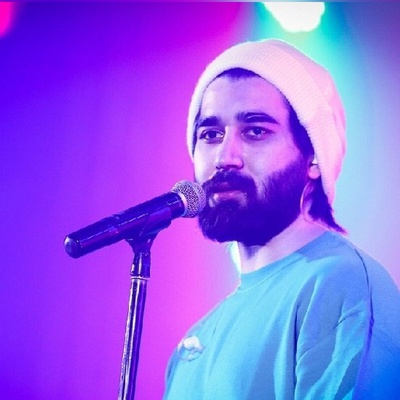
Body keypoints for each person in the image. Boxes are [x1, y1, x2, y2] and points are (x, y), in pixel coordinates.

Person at [163, 39, 400, 399]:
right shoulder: (193, 343)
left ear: (313, 157)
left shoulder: (340, 284)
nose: (225, 157)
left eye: (255, 131)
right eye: (210, 135)